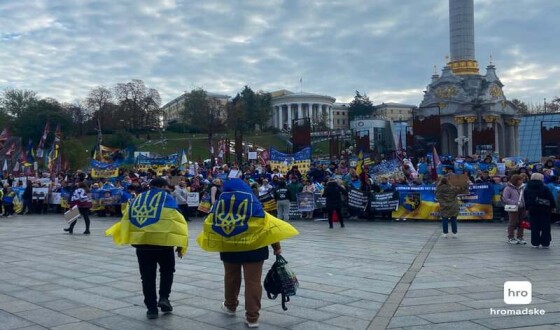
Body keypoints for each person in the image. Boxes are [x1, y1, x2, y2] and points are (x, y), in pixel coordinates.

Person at [196, 179, 298, 328]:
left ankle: (230, 306)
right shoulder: (255, 206)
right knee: (253, 282)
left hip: (229, 247)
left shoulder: (219, 207)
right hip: (255, 249)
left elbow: (209, 225)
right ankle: (252, 317)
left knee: (231, 277)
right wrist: (276, 247)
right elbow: (269, 226)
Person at [105, 177, 188, 319]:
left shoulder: (138, 198)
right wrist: (181, 243)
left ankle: (151, 308)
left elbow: (127, 217)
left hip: (142, 244)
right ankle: (164, 297)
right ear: (162, 186)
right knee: (167, 271)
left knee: (147, 277)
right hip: (163, 243)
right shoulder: (166, 198)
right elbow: (177, 219)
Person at [523, 173, 556, 248]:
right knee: (545, 226)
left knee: (534, 226)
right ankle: (545, 242)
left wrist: (527, 208)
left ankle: (535, 242)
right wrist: (553, 206)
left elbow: (525, 199)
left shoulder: (527, 188)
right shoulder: (544, 187)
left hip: (532, 209)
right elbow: (550, 198)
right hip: (544, 209)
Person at [502, 174, 526, 244]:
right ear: (516, 180)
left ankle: (520, 237)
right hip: (513, 208)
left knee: (522, 223)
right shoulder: (508, 188)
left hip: (522, 207)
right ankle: (511, 237)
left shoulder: (523, 187)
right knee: (512, 223)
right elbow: (505, 198)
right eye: (520, 180)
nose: (521, 181)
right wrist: (514, 202)